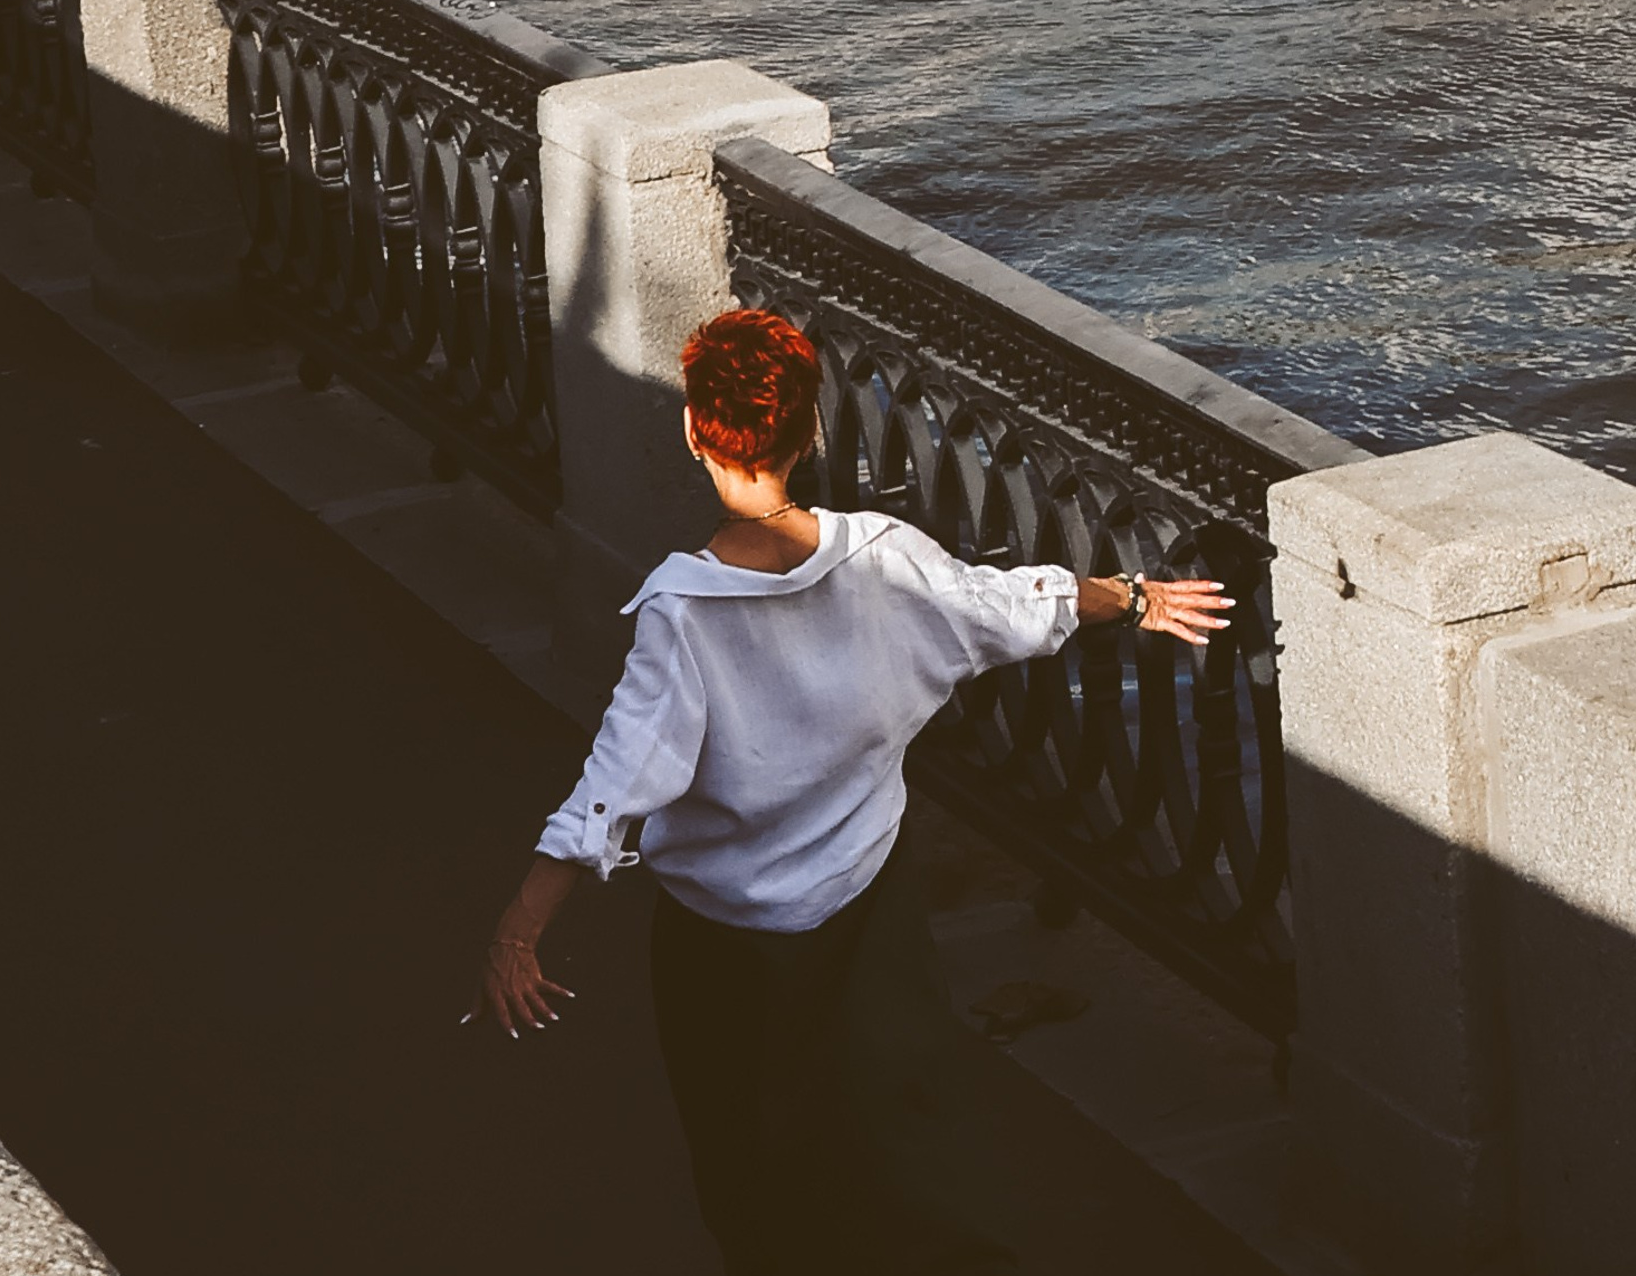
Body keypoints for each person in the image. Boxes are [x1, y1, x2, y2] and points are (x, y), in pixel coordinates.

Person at [469, 306, 1233, 1274]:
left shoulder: (685, 612)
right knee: (900, 1147)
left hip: (724, 951)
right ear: (811, 431)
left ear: (696, 432)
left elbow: (614, 782)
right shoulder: (884, 558)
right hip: (871, 916)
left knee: (753, 1175)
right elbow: (1007, 603)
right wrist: (1133, 597)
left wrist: (521, 926)